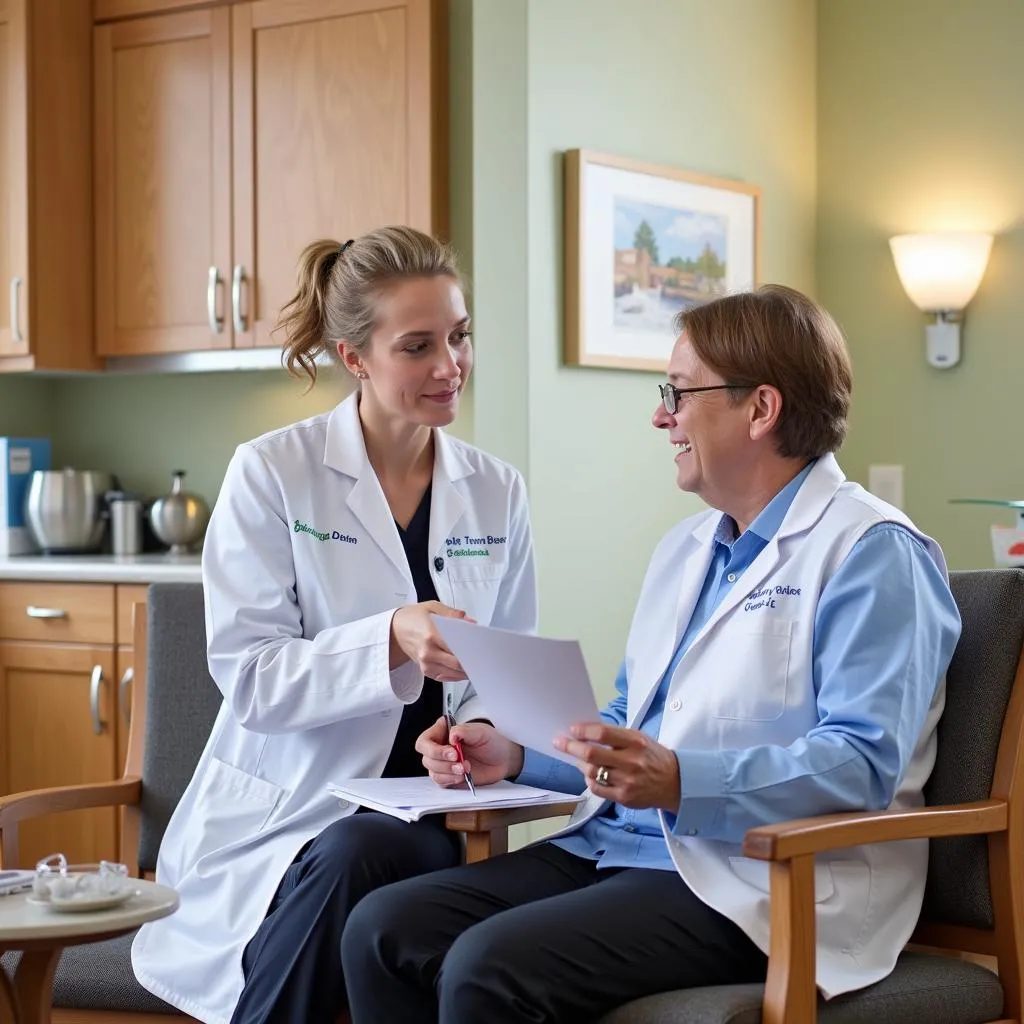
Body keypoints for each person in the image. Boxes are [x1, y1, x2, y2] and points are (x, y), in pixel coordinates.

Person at [339, 284, 963, 1024]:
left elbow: (861, 762)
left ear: (761, 410)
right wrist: (511, 754)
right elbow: (624, 724)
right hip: (616, 846)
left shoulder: (871, 552)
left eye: (678, 392)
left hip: (753, 879)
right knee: (381, 931)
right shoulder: (686, 550)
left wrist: (678, 780)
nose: (660, 416)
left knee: (487, 968)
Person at [130, 226, 538, 1024]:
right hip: (286, 804)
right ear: (355, 357)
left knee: (363, 853)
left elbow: (506, 670)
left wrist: (481, 730)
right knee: (345, 859)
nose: (450, 366)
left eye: (459, 337)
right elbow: (251, 677)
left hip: (427, 808)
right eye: (417, 346)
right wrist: (391, 636)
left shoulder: (497, 490)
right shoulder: (273, 473)